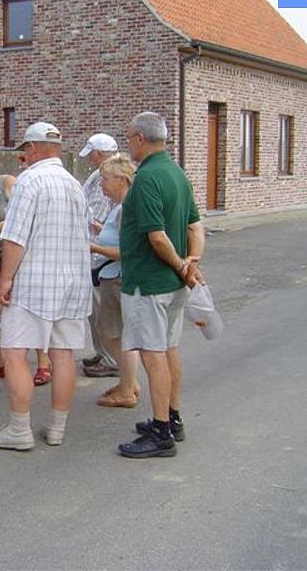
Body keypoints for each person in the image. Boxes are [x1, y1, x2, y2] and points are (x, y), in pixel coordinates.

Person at [0, 122, 92, 450]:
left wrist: (5, 279)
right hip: (73, 282)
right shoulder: (75, 185)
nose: (24, 158)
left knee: (15, 352)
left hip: (33, 282)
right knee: (63, 355)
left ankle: (20, 429)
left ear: (32, 148)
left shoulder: (30, 181)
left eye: (24, 151)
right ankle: (57, 428)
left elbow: (15, 237)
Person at [117, 112, 204, 458]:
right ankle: (173, 416)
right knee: (169, 349)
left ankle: (161, 431)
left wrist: (183, 264)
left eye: (129, 138)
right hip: (173, 284)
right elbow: (195, 226)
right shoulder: (178, 174)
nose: (128, 144)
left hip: (149, 283)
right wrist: (191, 264)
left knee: (153, 355)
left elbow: (156, 236)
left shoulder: (147, 178)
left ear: (140, 138)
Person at [0, 147, 54, 387]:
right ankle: (2, 362)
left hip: (19, 258)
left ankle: (44, 365)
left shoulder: (8, 183)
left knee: (32, 310)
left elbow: (27, 218)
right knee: (2, 313)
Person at [88, 154, 141, 407]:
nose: (102, 185)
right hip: (113, 276)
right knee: (114, 333)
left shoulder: (126, 209)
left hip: (117, 277)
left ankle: (128, 389)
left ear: (122, 180)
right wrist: (101, 231)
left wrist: (93, 248)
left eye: (106, 179)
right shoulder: (121, 207)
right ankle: (128, 381)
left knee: (114, 335)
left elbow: (128, 251)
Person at [78, 133, 120, 378]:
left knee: (104, 312)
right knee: (96, 312)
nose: (90, 159)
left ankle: (111, 358)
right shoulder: (98, 175)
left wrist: (93, 244)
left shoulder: (108, 177)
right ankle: (103, 352)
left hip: (101, 255)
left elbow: (98, 215)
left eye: (92, 154)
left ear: (100, 154)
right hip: (95, 253)